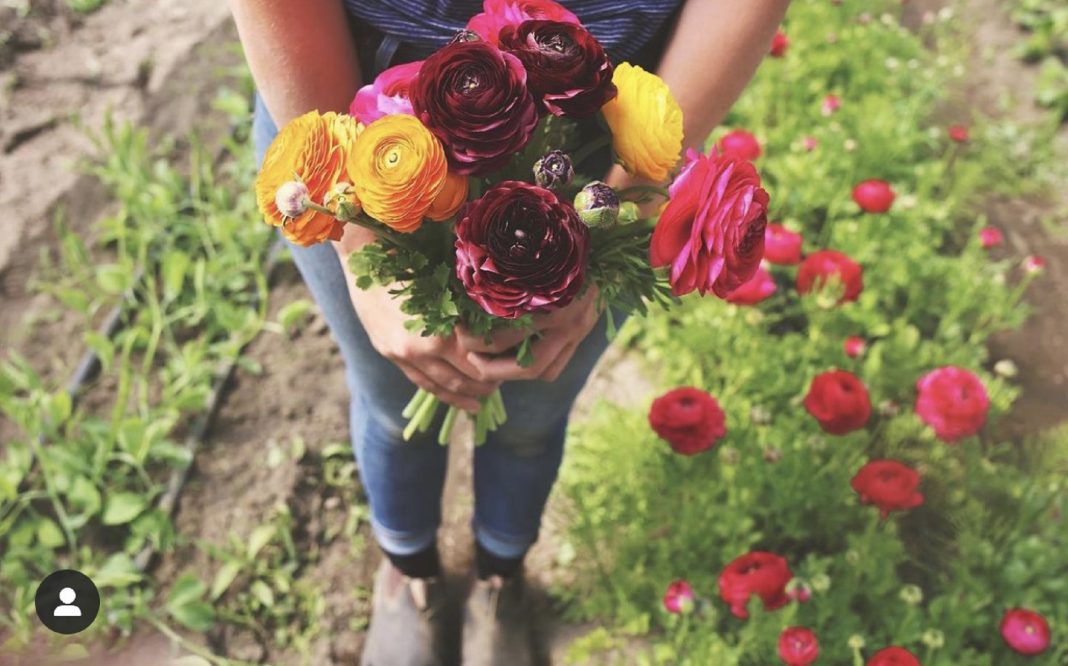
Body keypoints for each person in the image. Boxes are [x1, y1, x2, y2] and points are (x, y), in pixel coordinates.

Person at [230, 0, 789, 663]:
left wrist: (625, 198)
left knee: (533, 408)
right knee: (393, 402)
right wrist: (356, 236)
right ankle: (410, 575)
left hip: (610, 130)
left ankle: (501, 575)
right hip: (350, 124)